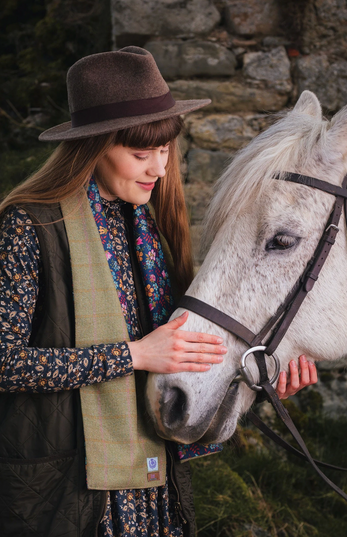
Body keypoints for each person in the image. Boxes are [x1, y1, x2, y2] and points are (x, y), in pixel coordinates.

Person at [0, 46, 317, 537]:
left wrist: (263, 382)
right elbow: (5, 363)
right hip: (67, 493)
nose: (159, 169)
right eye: (140, 153)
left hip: (155, 491)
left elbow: (187, 368)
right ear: (92, 147)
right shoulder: (29, 227)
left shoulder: (154, 234)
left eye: (165, 149)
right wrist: (133, 355)